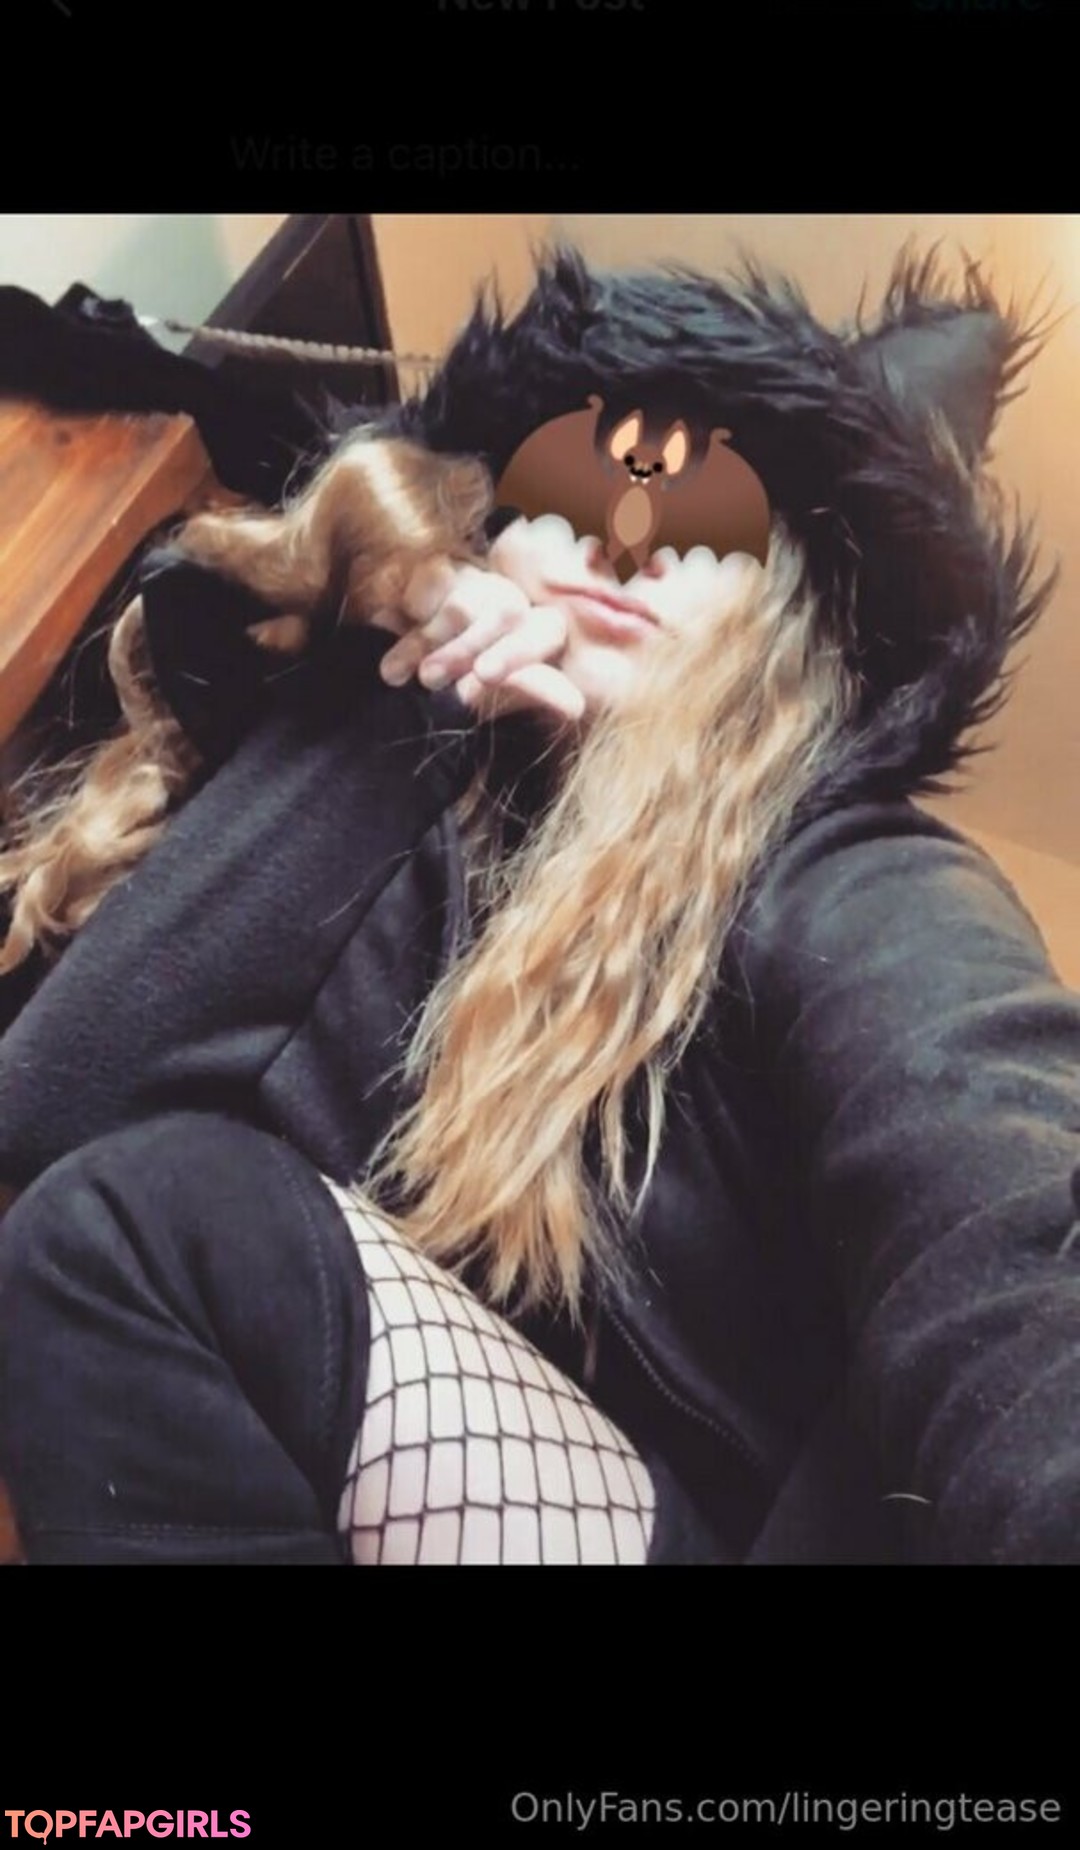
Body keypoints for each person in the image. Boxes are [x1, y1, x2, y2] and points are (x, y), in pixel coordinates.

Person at [1, 244, 1079, 1565]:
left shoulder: (847, 876)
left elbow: (1010, 1224)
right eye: (578, 484)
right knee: (130, 1224)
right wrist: (399, 696)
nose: (623, 538)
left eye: (708, 519)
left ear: (789, 632)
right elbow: (54, 1119)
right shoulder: (388, 830)